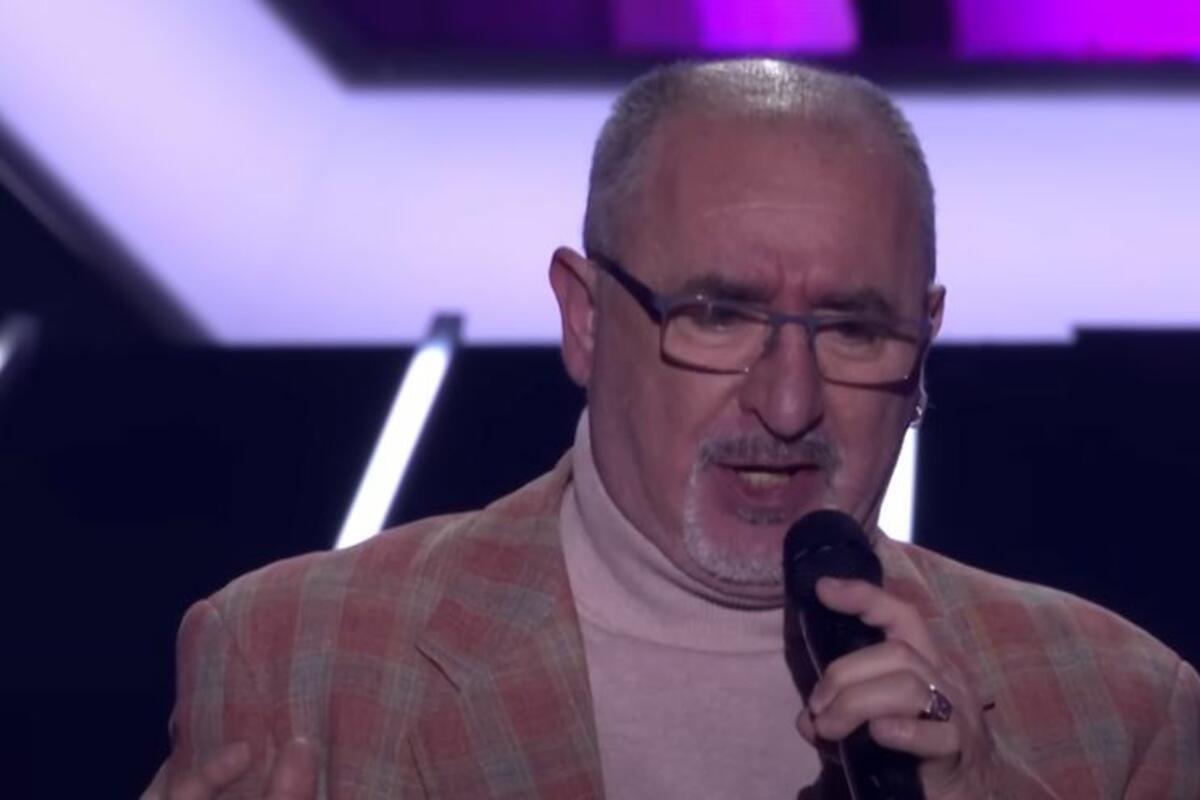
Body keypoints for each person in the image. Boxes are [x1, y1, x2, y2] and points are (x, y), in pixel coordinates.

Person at [144, 59, 1200, 799]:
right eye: (717, 315)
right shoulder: (296, 656)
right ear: (585, 319)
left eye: (855, 330)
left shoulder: (1124, 710)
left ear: (924, 341)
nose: (788, 405)